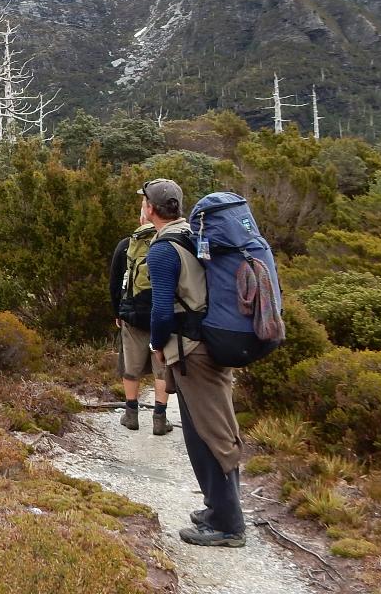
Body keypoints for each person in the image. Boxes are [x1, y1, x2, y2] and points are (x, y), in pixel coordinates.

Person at [140, 177, 247, 548]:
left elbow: (161, 308)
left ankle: (229, 524)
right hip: (209, 343)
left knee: (208, 434)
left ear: (150, 208)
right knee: (212, 428)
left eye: (143, 202)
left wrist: (155, 343)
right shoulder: (192, 234)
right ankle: (217, 508)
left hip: (192, 351)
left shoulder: (163, 249)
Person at [108, 222, 174, 435]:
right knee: (161, 368)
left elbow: (115, 283)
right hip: (164, 315)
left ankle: (131, 414)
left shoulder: (127, 245)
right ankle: (159, 419)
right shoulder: (172, 244)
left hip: (133, 315)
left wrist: (118, 312)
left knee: (131, 366)